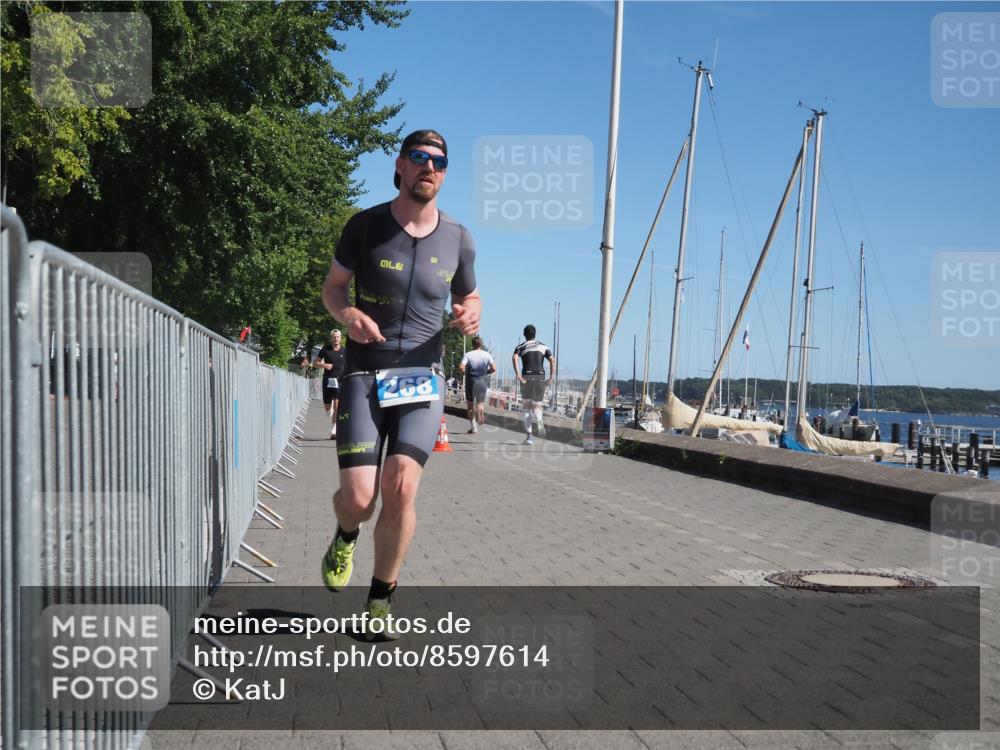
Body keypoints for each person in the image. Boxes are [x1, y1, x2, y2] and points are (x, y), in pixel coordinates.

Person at [320, 129, 480, 639]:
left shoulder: (459, 237)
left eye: (439, 161)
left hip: (421, 378)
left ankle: (379, 600)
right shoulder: (365, 227)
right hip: (364, 374)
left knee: (402, 486)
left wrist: (470, 315)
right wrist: (347, 316)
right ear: (401, 165)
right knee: (361, 498)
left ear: (445, 172)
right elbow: (333, 288)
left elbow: (472, 298)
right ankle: (346, 532)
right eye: (419, 157)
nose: (429, 167)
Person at [512, 325, 555, 445]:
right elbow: (552, 359)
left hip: (526, 378)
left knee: (526, 408)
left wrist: (518, 374)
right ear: (535, 334)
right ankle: (540, 419)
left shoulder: (521, 346)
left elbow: (514, 358)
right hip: (540, 378)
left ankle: (529, 437)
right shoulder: (543, 345)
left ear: (524, 334)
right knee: (537, 406)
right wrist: (551, 376)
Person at [311, 329, 347, 439]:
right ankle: (329, 408)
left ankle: (334, 430)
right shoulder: (325, 349)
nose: (336, 339)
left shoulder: (344, 351)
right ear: (331, 338)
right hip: (327, 380)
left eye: (337, 337)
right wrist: (324, 365)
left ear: (340, 338)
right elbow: (315, 363)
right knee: (327, 408)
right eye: (334, 337)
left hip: (340, 381)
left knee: (337, 405)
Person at [458, 336, 496, 434]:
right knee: (480, 403)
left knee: (470, 405)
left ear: (472, 344)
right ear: (481, 344)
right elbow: (494, 368)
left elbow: (461, 367)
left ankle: (474, 427)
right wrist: (487, 372)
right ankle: (480, 412)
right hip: (482, 381)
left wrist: (463, 372)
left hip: (471, 381)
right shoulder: (487, 355)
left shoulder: (468, 354)